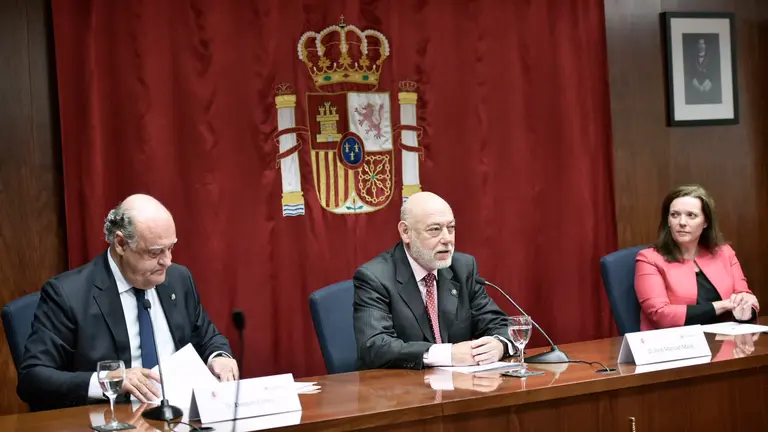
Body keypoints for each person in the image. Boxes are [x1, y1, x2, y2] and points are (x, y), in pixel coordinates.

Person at [17, 194, 238, 411]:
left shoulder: (178, 280)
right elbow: (33, 377)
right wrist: (109, 380)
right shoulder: (68, 295)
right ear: (121, 244)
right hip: (112, 420)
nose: (167, 261)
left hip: (179, 417)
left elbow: (208, 337)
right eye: (154, 253)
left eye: (170, 248)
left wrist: (219, 357)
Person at [353, 191, 514, 370]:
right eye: (435, 229)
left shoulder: (463, 268)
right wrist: (447, 354)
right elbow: (374, 346)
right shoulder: (375, 277)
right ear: (406, 232)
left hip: (459, 389)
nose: (447, 239)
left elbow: (499, 324)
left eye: (451, 228)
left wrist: (499, 345)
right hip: (401, 391)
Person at [635, 185, 760, 331]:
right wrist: (724, 305)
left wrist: (746, 309)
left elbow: (744, 296)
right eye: (674, 215)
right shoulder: (649, 259)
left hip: (725, 341)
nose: (681, 222)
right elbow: (660, 315)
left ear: (706, 222)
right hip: (673, 345)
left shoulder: (724, 253)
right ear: (668, 221)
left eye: (691, 215)